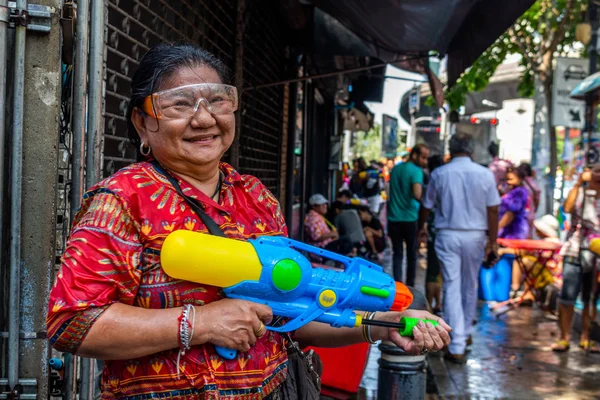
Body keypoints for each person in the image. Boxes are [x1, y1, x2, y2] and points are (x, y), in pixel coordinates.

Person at [46, 43, 452, 399]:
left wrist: (382, 325)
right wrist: (198, 322)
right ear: (142, 122)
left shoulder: (255, 196)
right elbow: (72, 322)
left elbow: (290, 318)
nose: (204, 119)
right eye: (179, 104)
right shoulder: (124, 200)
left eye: (217, 101)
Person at [419, 133, 500, 363]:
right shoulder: (485, 174)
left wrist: (421, 227)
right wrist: (492, 241)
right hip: (475, 236)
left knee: (453, 285)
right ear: (472, 150)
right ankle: (462, 336)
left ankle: (456, 342)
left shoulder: (440, 173)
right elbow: (493, 209)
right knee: (469, 284)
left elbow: (426, 205)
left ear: (451, 150)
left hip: (448, 235)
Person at [552, 166, 600, 353]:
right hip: (575, 249)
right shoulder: (580, 192)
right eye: (596, 171)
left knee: (592, 297)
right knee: (567, 295)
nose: (598, 175)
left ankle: (586, 337)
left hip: (596, 254)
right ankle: (564, 337)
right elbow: (567, 208)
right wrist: (579, 182)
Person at [387, 144, 430, 286]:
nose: (425, 161)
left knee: (397, 253)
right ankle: (410, 286)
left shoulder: (395, 169)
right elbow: (417, 194)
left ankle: (397, 285)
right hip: (410, 218)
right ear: (414, 155)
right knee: (412, 254)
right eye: (423, 157)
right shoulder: (417, 171)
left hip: (393, 218)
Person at [424, 155, 445, 315]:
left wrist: (421, 227)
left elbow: (426, 206)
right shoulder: (449, 180)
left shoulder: (433, 180)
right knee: (439, 272)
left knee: (432, 271)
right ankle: (438, 304)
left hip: (435, 232)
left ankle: (429, 306)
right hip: (447, 232)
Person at [498, 167, 530, 240]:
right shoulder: (512, 191)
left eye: (511, 179)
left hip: (514, 232)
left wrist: (498, 227)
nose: (508, 182)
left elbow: (511, 214)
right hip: (507, 231)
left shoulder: (519, 192)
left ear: (520, 179)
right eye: (506, 179)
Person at [519, 163, 541, 238]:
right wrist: (534, 210)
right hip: (530, 215)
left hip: (518, 216)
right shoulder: (533, 183)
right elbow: (537, 200)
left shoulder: (519, 183)